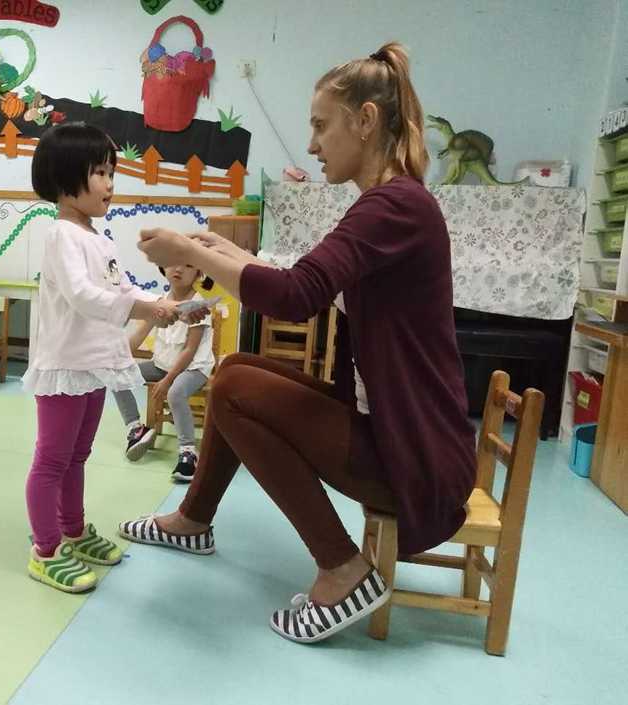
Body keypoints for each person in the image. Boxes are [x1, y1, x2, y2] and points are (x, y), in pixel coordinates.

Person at [119, 42, 478, 644]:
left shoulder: (394, 207)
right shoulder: (394, 203)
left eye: (320, 125)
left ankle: (342, 569)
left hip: (414, 458)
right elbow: (309, 281)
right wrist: (221, 251)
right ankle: (193, 520)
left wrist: (186, 251)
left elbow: (296, 295)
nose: (311, 145)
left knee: (233, 386)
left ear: (365, 121)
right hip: (399, 432)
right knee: (238, 368)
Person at [22, 122, 182, 593]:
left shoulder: (99, 237)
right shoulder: (60, 235)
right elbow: (82, 295)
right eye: (99, 173)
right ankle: (45, 550)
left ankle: (72, 530)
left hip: (93, 364)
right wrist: (143, 309)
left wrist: (162, 303)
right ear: (65, 178)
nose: (110, 184)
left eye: (112, 173)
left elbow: (122, 288)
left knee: (78, 456)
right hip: (64, 365)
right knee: (52, 460)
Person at [115, 264, 216, 482]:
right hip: (162, 365)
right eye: (172, 262)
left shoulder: (198, 306)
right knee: (116, 375)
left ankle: (188, 452)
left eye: (188, 265)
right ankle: (136, 429)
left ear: (199, 272)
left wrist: (168, 380)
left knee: (175, 393)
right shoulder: (160, 302)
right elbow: (140, 335)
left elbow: (190, 351)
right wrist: (115, 358)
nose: (178, 269)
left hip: (194, 368)